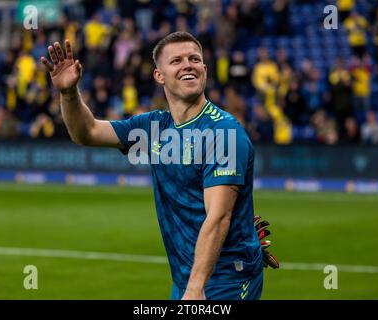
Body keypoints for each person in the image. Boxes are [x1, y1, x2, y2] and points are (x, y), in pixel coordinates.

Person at [41, 31, 277, 300]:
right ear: (159, 76)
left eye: (194, 59)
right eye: (176, 61)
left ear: (205, 70)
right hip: (187, 277)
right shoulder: (154, 127)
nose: (188, 64)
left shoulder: (223, 132)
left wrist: (196, 288)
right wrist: (69, 92)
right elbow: (88, 132)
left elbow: (219, 217)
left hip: (225, 279)